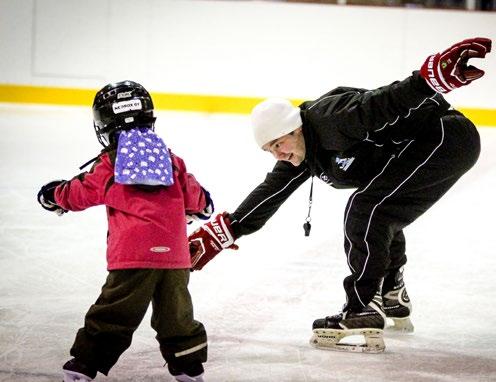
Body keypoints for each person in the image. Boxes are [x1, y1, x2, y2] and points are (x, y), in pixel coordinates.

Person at [187, 37, 491, 353]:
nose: (278, 154)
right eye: (270, 150)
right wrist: (226, 230)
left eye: (279, 144)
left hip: (445, 137)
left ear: (295, 129)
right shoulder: (302, 152)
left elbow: (384, 102)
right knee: (377, 209)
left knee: (367, 210)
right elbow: (269, 193)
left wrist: (430, 79)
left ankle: (361, 309)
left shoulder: (331, 120)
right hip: (428, 145)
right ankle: (391, 293)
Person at [37, 81, 212, 381]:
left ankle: (84, 365)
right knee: (177, 315)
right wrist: (203, 204)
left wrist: (54, 196)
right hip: (175, 257)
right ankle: (188, 366)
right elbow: (197, 198)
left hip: (132, 257)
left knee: (115, 312)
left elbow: (80, 192)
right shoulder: (171, 160)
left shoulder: (110, 164)